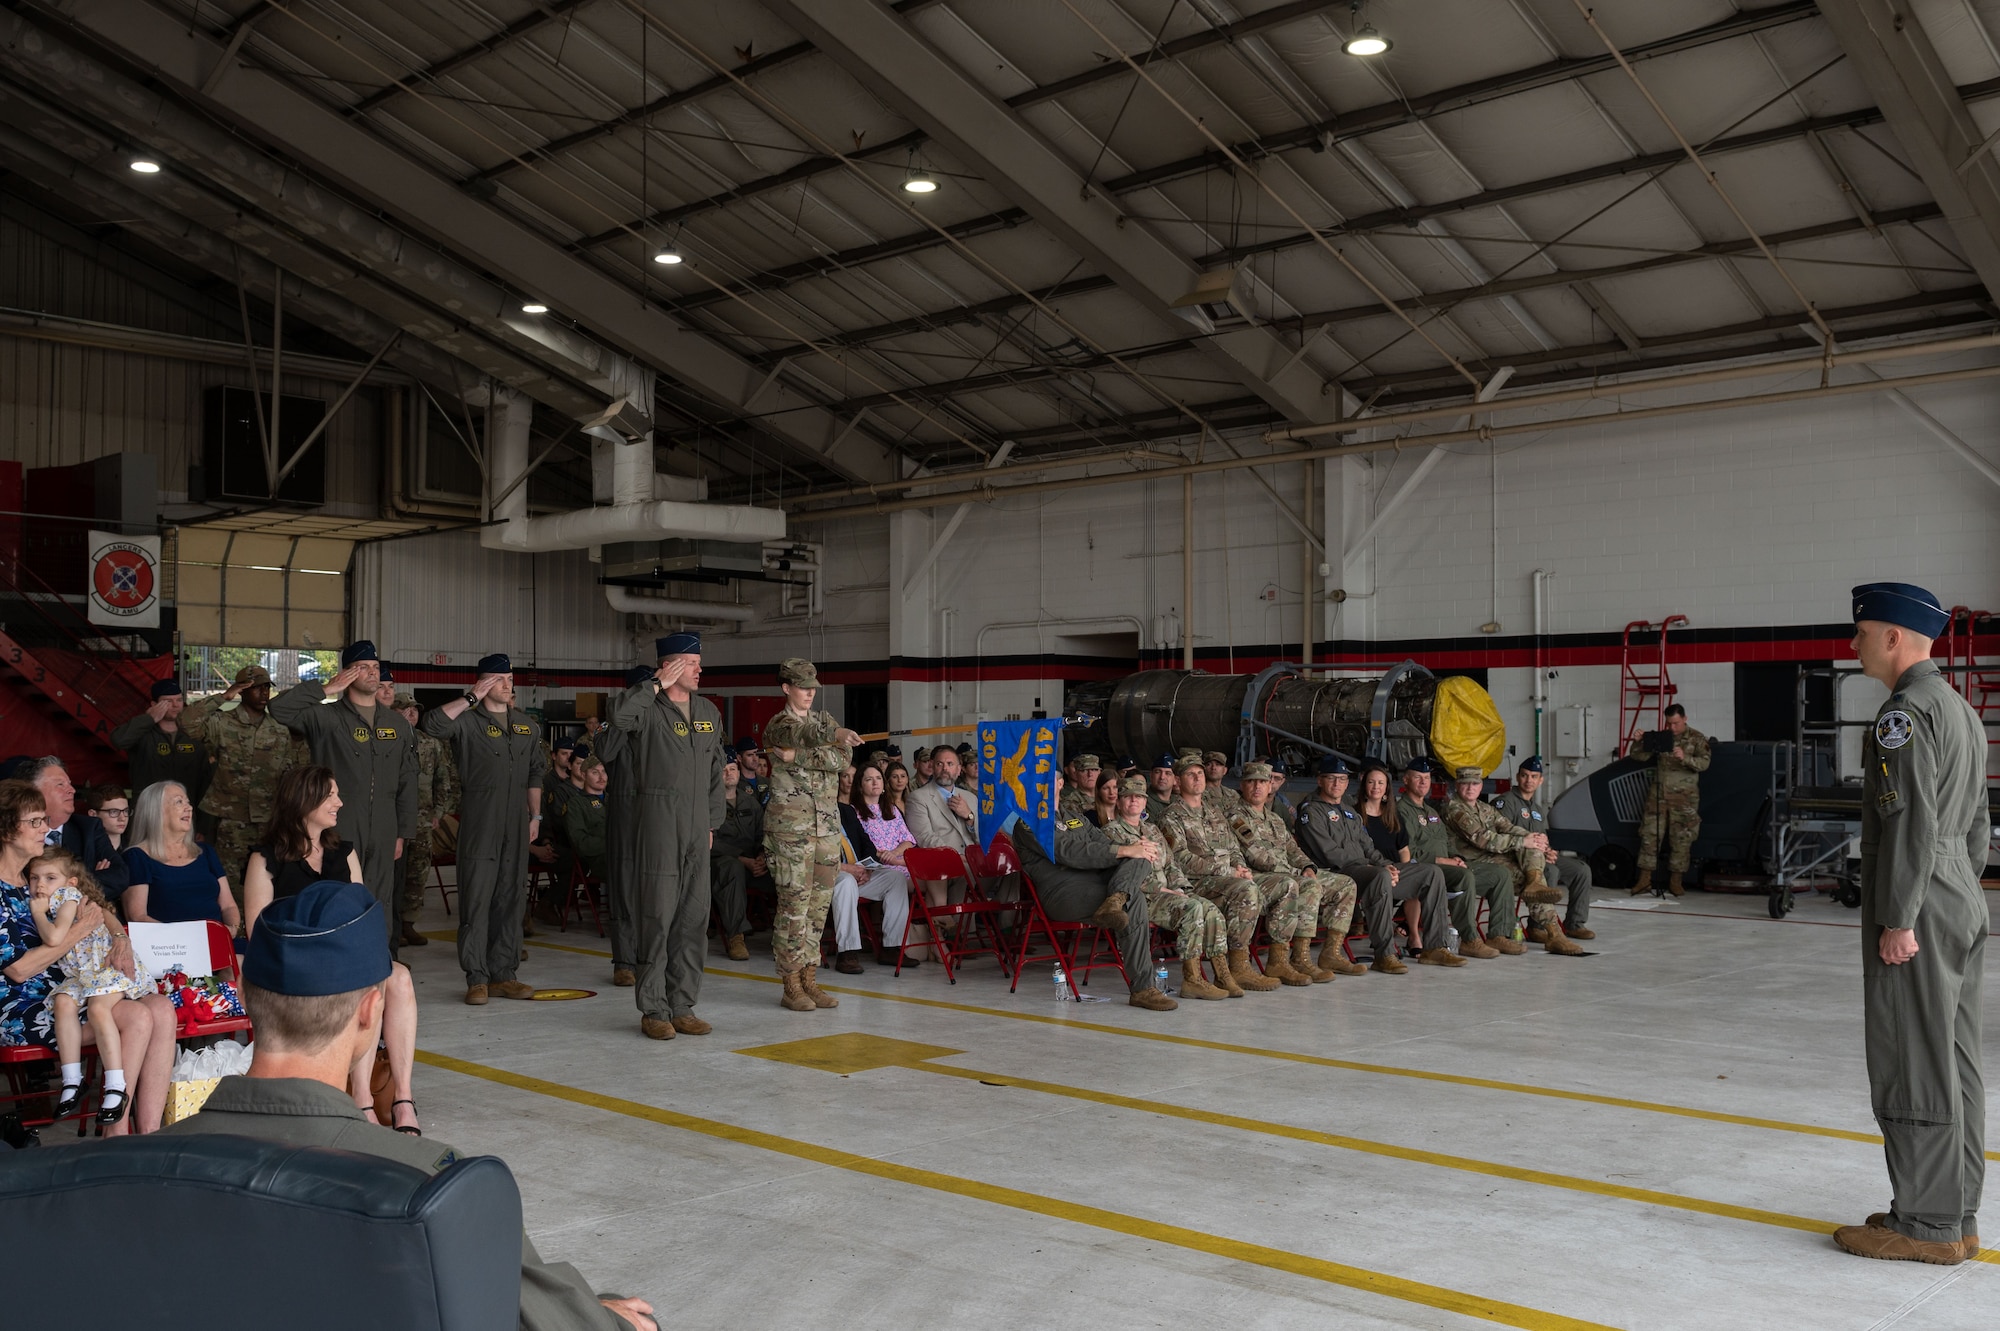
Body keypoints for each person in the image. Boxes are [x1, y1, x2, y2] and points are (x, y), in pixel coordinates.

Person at [158, 878, 656, 1330]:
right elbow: (513, 1313)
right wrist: (600, 1316)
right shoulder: (432, 1182)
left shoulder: (136, 1164)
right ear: (372, 1009)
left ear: (244, 997)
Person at [1831, 582, 1988, 1266]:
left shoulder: (1903, 714)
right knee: (1954, 1056)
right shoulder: (1959, 709)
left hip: (1918, 899)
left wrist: (1899, 915)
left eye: (1862, 631)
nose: (1855, 643)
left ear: (1893, 635)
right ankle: (1956, 1211)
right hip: (1958, 892)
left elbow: (1908, 824)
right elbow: (1976, 821)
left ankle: (1924, 1222)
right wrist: (1959, 889)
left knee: (1912, 1057)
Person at [242, 765, 420, 1135]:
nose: (339, 802)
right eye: (331, 795)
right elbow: (261, 929)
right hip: (295, 962)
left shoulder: (343, 852)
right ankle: (362, 1102)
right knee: (370, 984)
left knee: (398, 978)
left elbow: (362, 914)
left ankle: (401, 1098)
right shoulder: (266, 858)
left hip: (343, 957)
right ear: (303, 799)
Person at [0, 779, 175, 1135]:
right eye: (34, 821)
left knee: (162, 1008)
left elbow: (90, 900)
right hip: (20, 1004)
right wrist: (79, 933)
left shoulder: (36, 870)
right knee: (139, 1017)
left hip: (67, 985)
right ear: (5, 828)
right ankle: (117, 1133)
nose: (46, 828)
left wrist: (117, 935)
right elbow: (18, 970)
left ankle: (151, 1131)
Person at [608, 634, 725, 1039]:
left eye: (698, 662)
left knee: (693, 919)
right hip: (657, 822)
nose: (698, 669)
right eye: (691, 662)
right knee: (657, 917)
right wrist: (653, 684)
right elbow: (616, 725)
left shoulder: (708, 710)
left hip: (696, 828)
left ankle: (683, 1004)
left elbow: (715, 770)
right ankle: (653, 1008)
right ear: (670, 665)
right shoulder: (646, 706)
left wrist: (711, 823)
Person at [270, 641, 417, 951]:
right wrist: (326, 688)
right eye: (364, 667)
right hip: (338, 820)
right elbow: (279, 708)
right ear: (347, 673)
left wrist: (403, 832)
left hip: (385, 825)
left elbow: (407, 779)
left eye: (376, 667)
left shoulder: (397, 725)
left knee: (380, 898)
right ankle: (338, 964)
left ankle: (381, 967)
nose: (373, 673)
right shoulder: (326, 717)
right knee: (338, 893)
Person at [423, 653, 547, 1006]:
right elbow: (433, 725)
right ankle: (476, 977)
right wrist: (471, 697)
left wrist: (535, 817)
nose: (509, 684)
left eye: (510, 679)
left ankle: (504, 974)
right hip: (480, 820)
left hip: (516, 823)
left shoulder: (527, 726)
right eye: (500, 679)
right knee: (477, 899)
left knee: (510, 899)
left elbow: (536, 772)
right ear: (483, 682)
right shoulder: (467, 721)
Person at [1012, 773, 1175, 1011]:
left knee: (1141, 858)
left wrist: (1136, 850)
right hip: (1063, 893)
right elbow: (1068, 852)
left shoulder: (1075, 818)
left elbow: (1100, 843)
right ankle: (1142, 988)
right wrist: (1124, 850)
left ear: (1060, 783)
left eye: (1050, 779)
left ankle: (1117, 899)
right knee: (1134, 885)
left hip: (1097, 886)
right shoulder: (1028, 823)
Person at [1293, 757, 1458, 973]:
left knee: (1431, 873)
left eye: (1342, 779)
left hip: (1367, 870)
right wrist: (1376, 869)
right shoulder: (1311, 811)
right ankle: (1384, 954)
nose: (1337, 784)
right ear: (1320, 781)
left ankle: (1435, 947)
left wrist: (1389, 866)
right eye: (1331, 778)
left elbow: (1369, 848)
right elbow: (1330, 853)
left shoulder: (1349, 812)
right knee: (1380, 876)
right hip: (1338, 874)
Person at [763, 658, 860, 1014]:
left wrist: (801, 757)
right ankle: (790, 983)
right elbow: (801, 738)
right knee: (794, 907)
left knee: (819, 907)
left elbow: (844, 758)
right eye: (802, 687)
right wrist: (829, 742)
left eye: (813, 687)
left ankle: (809, 978)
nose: (809, 693)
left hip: (827, 829)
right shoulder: (779, 725)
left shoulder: (824, 721)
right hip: (791, 831)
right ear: (786, 688)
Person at [29, 849, 151, 1124]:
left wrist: (37, 914)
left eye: (50, 877)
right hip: (84, 976)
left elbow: (55, 938)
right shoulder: (56, 899)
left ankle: (116, 1085)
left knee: (98, 1009)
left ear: (70, 882)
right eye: (34, 878)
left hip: (106, 969)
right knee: (62, 1002)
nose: (40, 885)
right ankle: (72, 1079)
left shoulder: (66, 898)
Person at [1156, 756, 1287, 993]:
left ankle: (1241, 966)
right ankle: (1239, 966)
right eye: (1190, 774)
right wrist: (1226, 870)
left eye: (1200, 773)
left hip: (1226, 878)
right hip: (1196, 882)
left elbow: (1233, 847)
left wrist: (1240, 867)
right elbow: (1179, 858)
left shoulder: (1214, 812)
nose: (1197, 778)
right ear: (1177, 780)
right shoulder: (1171, 816)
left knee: (1256, 885)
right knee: (1246, 890)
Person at [1102, 777, 1232, 998]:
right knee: (1192, 909)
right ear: (1120, 801)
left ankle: (1222, 974)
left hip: (1169, 893)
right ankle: (1192, 980)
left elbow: (1171, 863)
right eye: (1128, 796)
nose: (1134, 800)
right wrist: (1162, 890)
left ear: (1144, 802)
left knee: (1211, 910)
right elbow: (1120, 875)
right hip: (1143, 898)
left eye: (1139, 797)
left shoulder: (1152, 830)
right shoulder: (1111, 833)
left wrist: (1180, 887)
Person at [181, 663, 305, 894]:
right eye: (257, 688)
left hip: (270, 819)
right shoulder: (223, 722)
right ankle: (234, 928)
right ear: (242, 690)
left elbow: (291, 769)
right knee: (228, 883)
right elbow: (187, 722)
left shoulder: (279, 727)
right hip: (230, 820)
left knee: (271, 880)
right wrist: (224, 696)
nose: (264, 693)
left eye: (267, 687)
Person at [1233, 761, 1361, 981]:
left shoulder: (1273, 818)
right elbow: (1256, 856)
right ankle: (1291, 960)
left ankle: (1331, 953)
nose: (1257, 787)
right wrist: (1296, 872)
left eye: (1262, 782)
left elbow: (1294, 849)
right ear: (1242, 785)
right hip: (1259, 876)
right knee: (1308, 886)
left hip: (1289, 872)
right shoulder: (1236, 816)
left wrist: (1307, 867)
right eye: (1251, 781)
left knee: (1345, 884)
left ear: (1270, 785)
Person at [1440, 767, 1583, 956]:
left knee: (1530, 848)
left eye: (1474, 783)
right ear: (1457, 786)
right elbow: (1483, 838)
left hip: (1493, 858)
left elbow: (1508, 827)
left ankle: (1537, 890)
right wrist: (1524, 840)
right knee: (1521, 868)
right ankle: (1550, 933)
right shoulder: (1455, 809)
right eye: (1465, 784)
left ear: (1481, 786)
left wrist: (1536, 840)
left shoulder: (1484, 808)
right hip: (1470, 862)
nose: (1470, 788)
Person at [1398, 760, 1521, 960]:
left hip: (1448, 866)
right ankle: (1469, 939)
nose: (1423, 782)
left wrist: (1457, 857)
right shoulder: (1401, 810)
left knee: (1500, 874)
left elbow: (1445, 842)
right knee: (1463, 876)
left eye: (1427, 778)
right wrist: (1446, 862)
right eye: (1418, 777)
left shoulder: (1431, 811)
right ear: (1406, 780)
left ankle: (1499, 934)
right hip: (1425, 870)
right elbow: (1408, 853)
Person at [594, 666, 654, 987]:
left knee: (657, 887)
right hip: (625, 812)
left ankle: (653, 956)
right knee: (624, 887)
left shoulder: (662, 719)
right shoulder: (612, 721)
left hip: (658, 811)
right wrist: (624, 717)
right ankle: (624, 960)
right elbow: (603, 751)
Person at [1490, 756, 1594, 939]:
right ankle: (1537, 927)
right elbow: (1498, 837)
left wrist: (1549, 851)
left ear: (1540, 780)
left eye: (1533, 776)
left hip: (1539, 856)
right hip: (1515, 858)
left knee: (1581, 870)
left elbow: (1542, 838)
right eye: (1524, 775)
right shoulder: (1505, 803)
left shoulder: (1537, 809)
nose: (1528, 780)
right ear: (1517, 777)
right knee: (1550, 871)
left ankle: (1575, 924)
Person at [122, 781, 240, 932]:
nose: (189, 808)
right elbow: (137, 917)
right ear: (156, 811)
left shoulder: (206, 852)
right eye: (179, 802)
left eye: (188, 802)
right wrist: (187, 939)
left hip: (216, 940)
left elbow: (228, 906)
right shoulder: (137, 857)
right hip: (170, 947)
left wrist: (232, 929)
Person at [832, 765, 915, 972]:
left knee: (895, 879)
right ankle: (847, 952)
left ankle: (892, 948)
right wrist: (847, 868)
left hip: (858, 873)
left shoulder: (845, 812)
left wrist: (867, 867)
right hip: (830, 875)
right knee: (846, 882)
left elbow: (866, 844)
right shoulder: (809, 815)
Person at [393, 691, 459, 949]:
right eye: (405, 709)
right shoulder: (387, 740)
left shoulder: (431, 743)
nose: (412, 713)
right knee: (393, 876)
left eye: (415, 709)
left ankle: (409, 924)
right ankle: (392, 926)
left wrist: (439, 812)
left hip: (422, 819)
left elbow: (443, 779)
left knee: (417, 874)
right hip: (394, 820)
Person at [1628, 704, 1711, 896]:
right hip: (1658, 796)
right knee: (1649, 836)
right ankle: (1644, 880)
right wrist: (1638, 741)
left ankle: (1676, 882)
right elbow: (1638, 756)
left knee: (1681, 839)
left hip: (1683, 799)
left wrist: (1685, 758)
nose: (1672, 727)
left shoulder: (1697, 739)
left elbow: (1704, 763)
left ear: (1685, 718)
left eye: (1676, 723)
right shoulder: (1662, 737)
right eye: (1669, 723)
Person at [24, 757, 128, 896]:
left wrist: (64, 887)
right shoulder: (22, 832)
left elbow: (120, 876)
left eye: (70, 784)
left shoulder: (88, 828)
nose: (72, 790)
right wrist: (88, 877)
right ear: (34, 792)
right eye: (60, 784)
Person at [111, 677, 209, 807]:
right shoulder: (142, 733)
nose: (175, 705)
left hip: (185, 810)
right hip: (149, 810)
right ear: (154, 705)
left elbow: (204, 779)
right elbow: (118, 740)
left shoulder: (193, 734)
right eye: (168, 701)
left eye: (179, 700)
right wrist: (149, 718)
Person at [708, 751, 762, 965]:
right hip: (720, 865)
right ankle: (736, 937)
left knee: (785, 869)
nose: (728, 773)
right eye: (722, 771)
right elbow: (709, 841)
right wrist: (743, 860)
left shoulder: (751, 803)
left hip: (754, 864)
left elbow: (762, 834)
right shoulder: (707, 804)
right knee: (732, 868)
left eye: (732, 768)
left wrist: (762, 857)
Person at [905, 744, 978, 852]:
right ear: (932, 767)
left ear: (958, 770)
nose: (945, 768)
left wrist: (969, 816)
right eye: (939, 764)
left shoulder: (971, 797)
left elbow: (983, 837)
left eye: (950, 764)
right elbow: (925, 838)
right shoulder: (917, 798)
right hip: (944, 862)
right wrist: (956, 857)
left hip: (976, 860)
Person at [562, 758, 610, 882]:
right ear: (583, 775)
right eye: (595, 772)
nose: (601, 776)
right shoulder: (576, 804)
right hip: (598, 859)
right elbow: (581, 843)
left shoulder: (615, 800)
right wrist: (612, 844)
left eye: (603, 771)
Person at [1059, 754, 1102, 820]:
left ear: (1099, 772)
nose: (1090, 774)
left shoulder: (1106, 797)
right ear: (1076, 774)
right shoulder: (1070, 803)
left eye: (1094, 769)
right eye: (1084, 770)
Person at [88, 787, 129, 852]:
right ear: (93, 814)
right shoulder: (85, 850)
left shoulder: (134, 846)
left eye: (126, 811)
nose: (122, 818)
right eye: (114, 812)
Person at [1146, 753, 1177, 821]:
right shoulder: (1144, 801)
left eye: (1168, 773)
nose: (1162, 777)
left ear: (1175, 779)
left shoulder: (1178, 801)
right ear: (1151, 775)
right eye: (1158, 772)